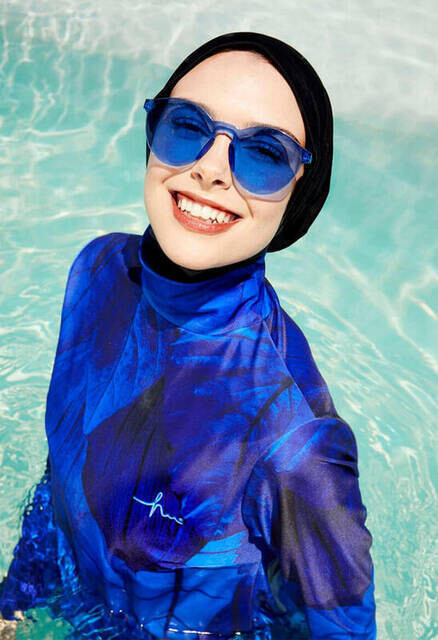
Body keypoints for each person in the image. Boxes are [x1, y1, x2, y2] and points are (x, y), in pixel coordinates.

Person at [0, 32, 376, 640]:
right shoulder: (98, 272)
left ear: (300, 194)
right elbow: (62, 471)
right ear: (153, 134)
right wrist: (16, 600)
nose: (210, 169)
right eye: (187, 126)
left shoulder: (296, 441)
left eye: (264, 153)